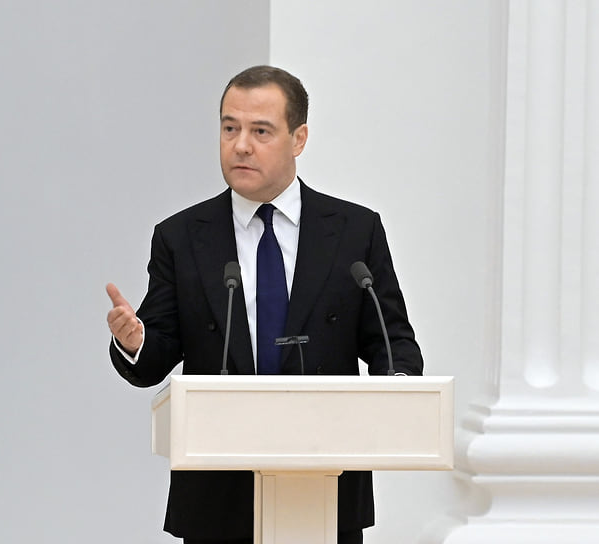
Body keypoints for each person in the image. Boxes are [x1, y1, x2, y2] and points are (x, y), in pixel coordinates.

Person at [105, 65, 423, 544]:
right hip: (218, 495)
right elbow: (155, 357)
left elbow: (392, 341)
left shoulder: (355, 231)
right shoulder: (181, 237)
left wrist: (396, 393)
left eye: (260, 131)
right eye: (229, 128)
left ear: (299, 139)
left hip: (325, 484)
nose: (240, 146)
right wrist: (135, 342)